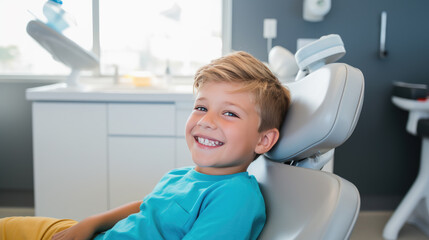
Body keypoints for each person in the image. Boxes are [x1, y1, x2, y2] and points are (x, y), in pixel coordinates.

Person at [0, 51, 291, 240]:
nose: (207, 121)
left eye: (229, 113)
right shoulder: (181, 176)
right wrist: (89, 223)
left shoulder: (235, 196)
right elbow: (147, 206)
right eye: (201, 107)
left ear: (264, 140)